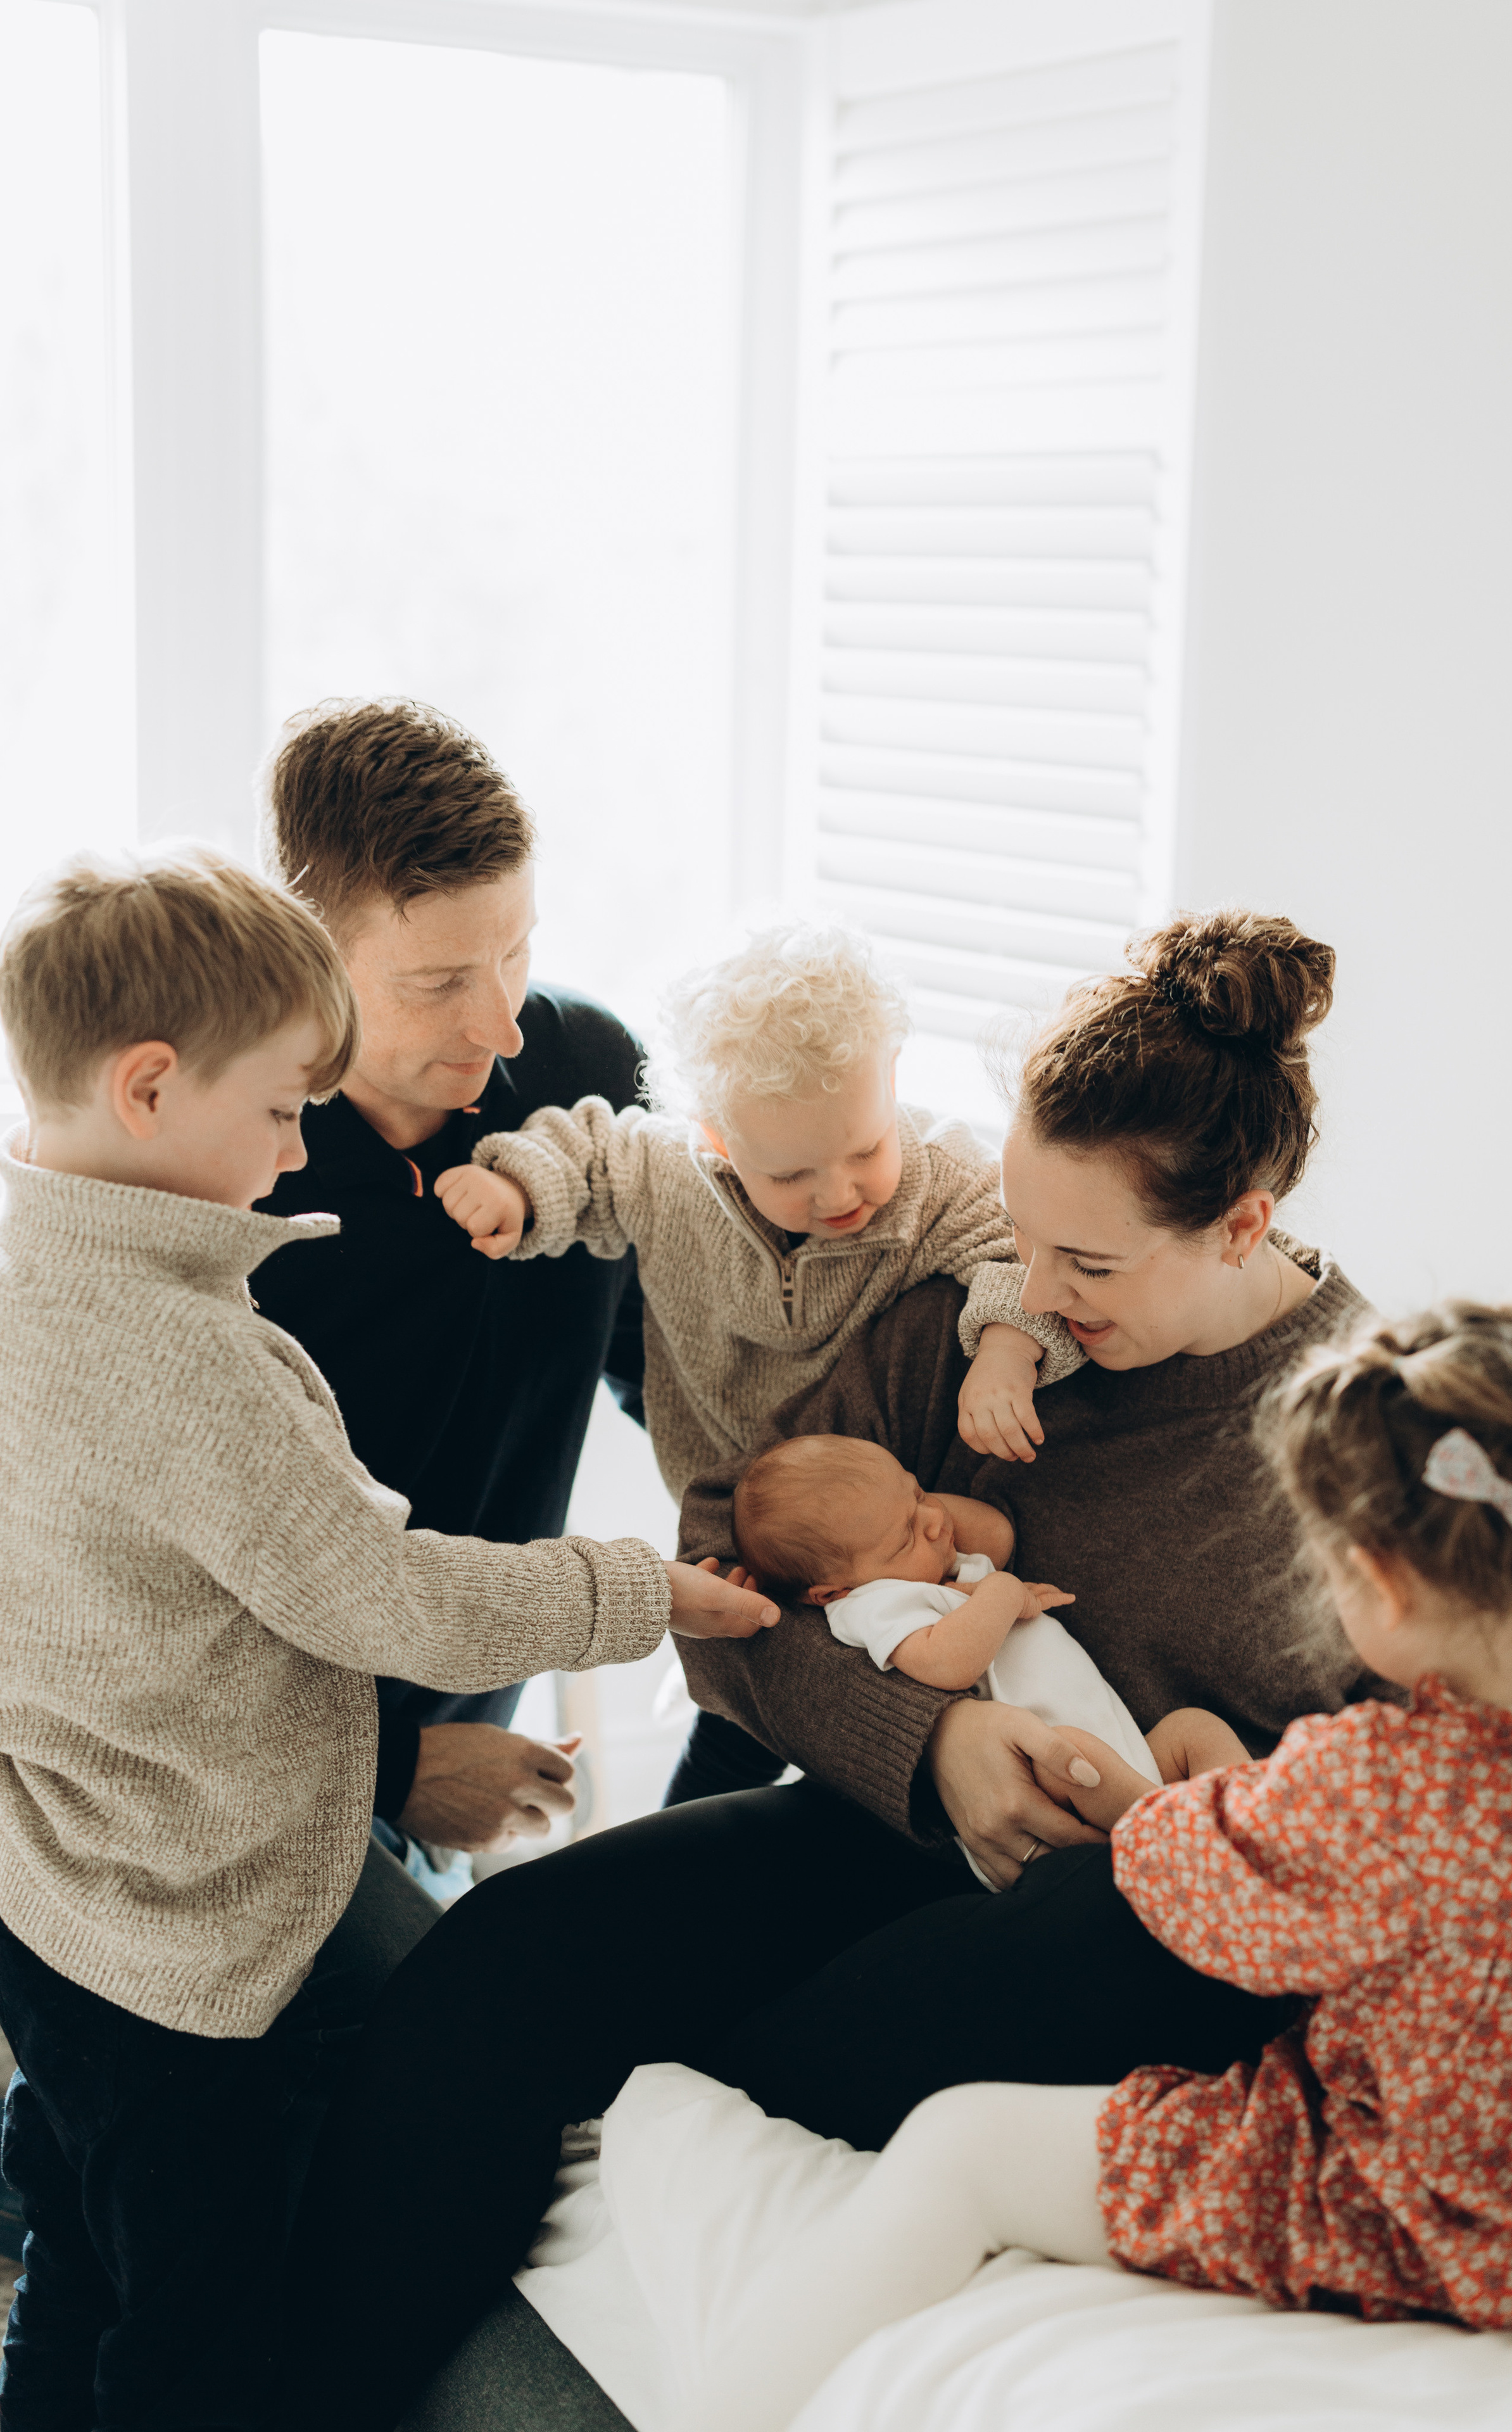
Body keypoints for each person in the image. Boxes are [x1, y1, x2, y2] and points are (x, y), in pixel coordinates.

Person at [282, 908, 1382, 2432]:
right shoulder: (971, 1322)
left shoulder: (1361, 1446)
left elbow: (1400, 1813)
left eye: (1085, 1262)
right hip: (887, 1820)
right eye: (1015, 1230)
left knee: (1093, 1929)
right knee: (501, 1958)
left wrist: (1206, 1788)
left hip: (1135, 1909)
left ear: (1242, 1225)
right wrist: (925, 1744)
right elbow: (735, 1591)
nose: (1033, 1294)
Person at [0, 848, 776, 2432]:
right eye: (285, 1106)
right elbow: (387, 1594)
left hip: (53, 1902)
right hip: (189, 1954)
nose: (301, 1144)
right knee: (200, 2329)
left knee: (80, 2254)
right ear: (149, 1087)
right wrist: (641, 1589)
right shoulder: (194, 1356)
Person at [604, 1299, 1512, 2432]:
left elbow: (1188, 1881)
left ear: (1378, 1587)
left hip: (1443, 2218)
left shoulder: (1388, 1781)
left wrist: (1130, 1793)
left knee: (964, 2143)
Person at [436, 920, 1081, 1803]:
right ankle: (683, 1861)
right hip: (728, 1486)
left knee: (886, 1671)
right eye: (792, 1174)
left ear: (891, 1084)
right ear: (713, 1138)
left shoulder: (935, 1179)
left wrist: (1006, 1350)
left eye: (865, 1150)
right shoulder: (665, 1170)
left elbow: (1009, 1252)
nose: (840, 1193)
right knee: (736, 1676)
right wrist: (515, 1186)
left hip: (870, 1500)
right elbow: (588, 1152)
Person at [254, 697, 650, 1873]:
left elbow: (667, 1349)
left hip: (476, 1735)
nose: (502, 1025)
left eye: (516, 953)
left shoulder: (587, 1073)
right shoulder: (232, 1165)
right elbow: (151, 1592)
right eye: (437, 984)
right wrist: (391, 1763)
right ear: (307, 957)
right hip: (255, 1778)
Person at [731, 1432, 1248, 1883]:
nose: (934, 1521)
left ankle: (1258, 1829)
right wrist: (1002, 1594)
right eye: (907, 1533)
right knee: (1073, 1754)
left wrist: (911, 1512)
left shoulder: (931, 1568)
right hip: (1048, 1783)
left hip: (1127, 1751)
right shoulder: (871, 1605)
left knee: (1194, 1730)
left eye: (918, 1492)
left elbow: (998, 1535)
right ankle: (1194, 1859)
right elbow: (947, 1663)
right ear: (829, 1592)